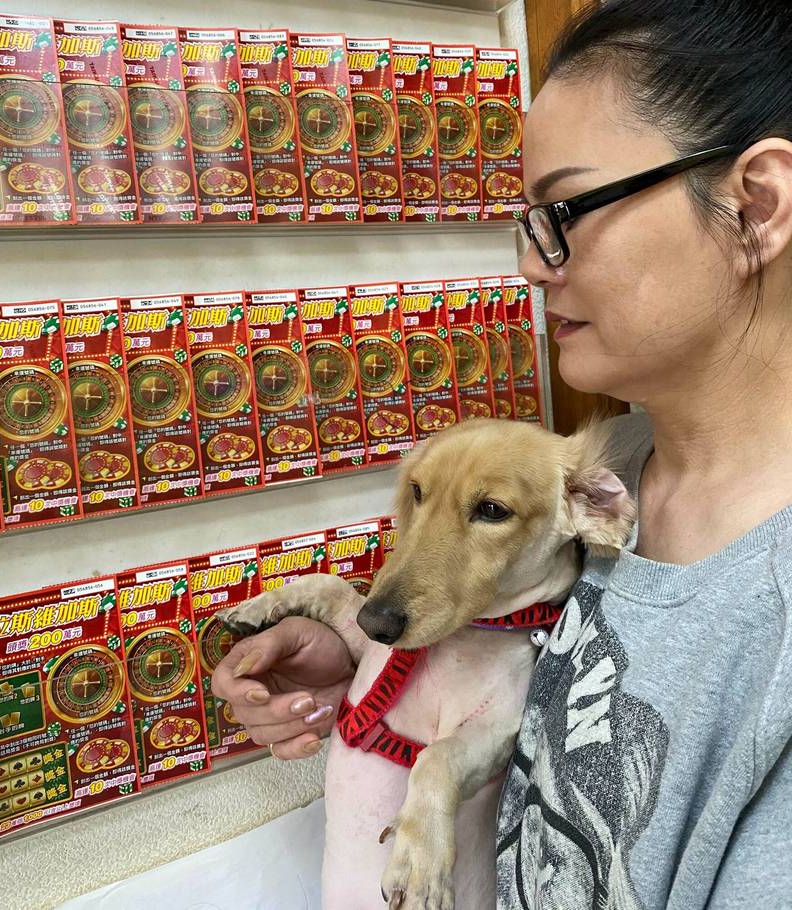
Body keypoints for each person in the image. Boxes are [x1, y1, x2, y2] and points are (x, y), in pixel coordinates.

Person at [212, 0, 792, 906]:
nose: (532, 263)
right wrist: (381, 665)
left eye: (566, 210)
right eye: (530, 221)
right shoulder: (600, 468)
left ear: (757, 205)